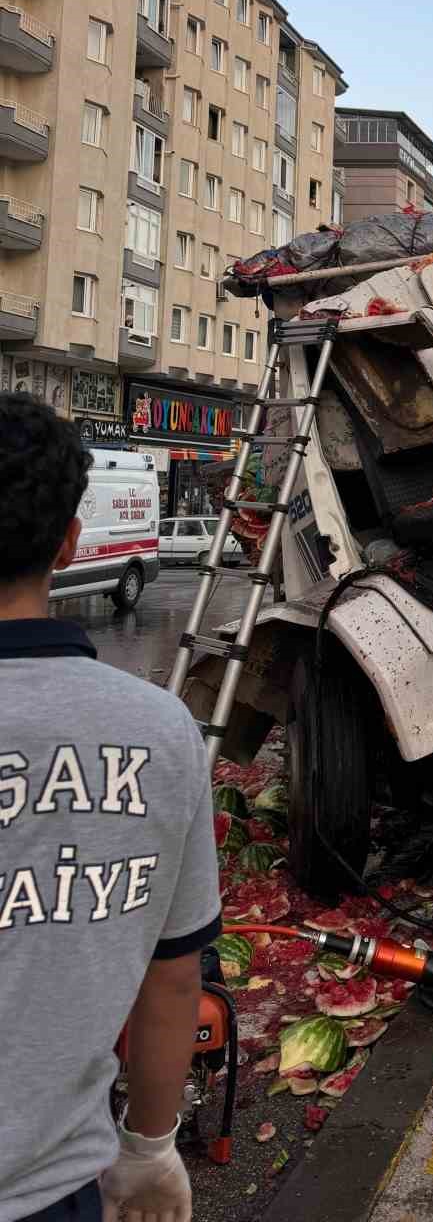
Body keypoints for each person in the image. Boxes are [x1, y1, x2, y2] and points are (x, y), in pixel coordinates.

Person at [0, 393, 221, 1222]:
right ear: (68, 542)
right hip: (52, 1187)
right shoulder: (161, 733)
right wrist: (149, 1146)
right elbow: (172, 980)